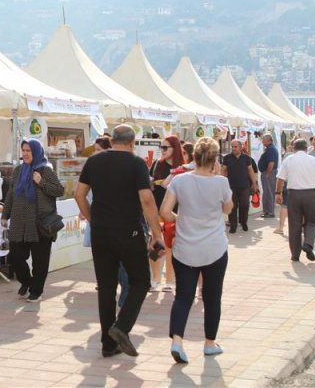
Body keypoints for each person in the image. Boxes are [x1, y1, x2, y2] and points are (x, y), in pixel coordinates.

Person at [75, 124, 165, 358]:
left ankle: (107, 344)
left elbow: (79, 194)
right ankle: (121, 327)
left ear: (112, 140)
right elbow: (146, 200)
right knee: (141, 280)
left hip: (101, 232)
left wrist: (93, 218)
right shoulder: (136, 164)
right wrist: (157, 234)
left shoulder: (94, 161)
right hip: (128, 231)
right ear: (132, 142)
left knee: (105, 286)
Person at [159, 137, 233, 364]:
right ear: (214, 159)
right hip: (214, 248)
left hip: (185, 247)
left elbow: (164, 212)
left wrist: (180, 219)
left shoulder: (180, 181)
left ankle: (177, 341)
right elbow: (228, 209)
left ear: (194, 157)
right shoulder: (221, 183)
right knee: (212, 297)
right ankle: (209, 343)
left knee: (183, 296)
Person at [1, 139, 65, 302]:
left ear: (36, 152)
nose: (25, 153)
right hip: (19, 222)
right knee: (15, 257)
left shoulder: (45, 170)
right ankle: (27, 281)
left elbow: (59, 190)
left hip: (40, 223)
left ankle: (36, 290)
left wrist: (41, 182)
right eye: (23, 150)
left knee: (40, 261)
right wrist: (5, 215)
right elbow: (10, 194)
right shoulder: (18, 171)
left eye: (29, 150)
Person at [275, 138, 315, 263]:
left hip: (293, 195)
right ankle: (308, 244)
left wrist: (278, 193)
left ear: (293, 148)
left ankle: (295, 255)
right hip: (310, 195)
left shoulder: (288, 160)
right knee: (311, 221)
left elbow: (280, 179)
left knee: (294, 225)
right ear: (306, 148)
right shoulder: (314, 161)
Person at [149, 135, 183, 292]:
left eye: (165, 147)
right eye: (160, 147)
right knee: (155, 244)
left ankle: (171, 280)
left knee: (171, 246)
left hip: (174, 212)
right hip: (156, 211)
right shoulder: (157, 164)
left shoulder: (183, 168)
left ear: (174, 149)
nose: (161, 151)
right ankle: (155, 279)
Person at [221, 140, 258, 233]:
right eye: (232, 147)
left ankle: (243, 221)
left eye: (235, 147)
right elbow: (224, 170)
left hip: (245, 186)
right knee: (232, 206)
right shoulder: (227, 158)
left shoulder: (246, 158)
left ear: (241, 147)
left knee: (244, 205)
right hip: (231, 186)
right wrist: (222, 183)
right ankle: (233, 225)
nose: (233, 148)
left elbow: (250, 171)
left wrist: (254, 183)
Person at [258, 134, 279, 218]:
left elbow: (271, 163)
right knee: (267, 192)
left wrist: (267, 173)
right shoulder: (270, 149)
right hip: (269, 173)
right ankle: (267, 211)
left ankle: (270, 211)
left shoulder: (271, 150)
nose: (262, 141)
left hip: (269, 173)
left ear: (268, 140)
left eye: (263, 139)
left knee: (269, 192)